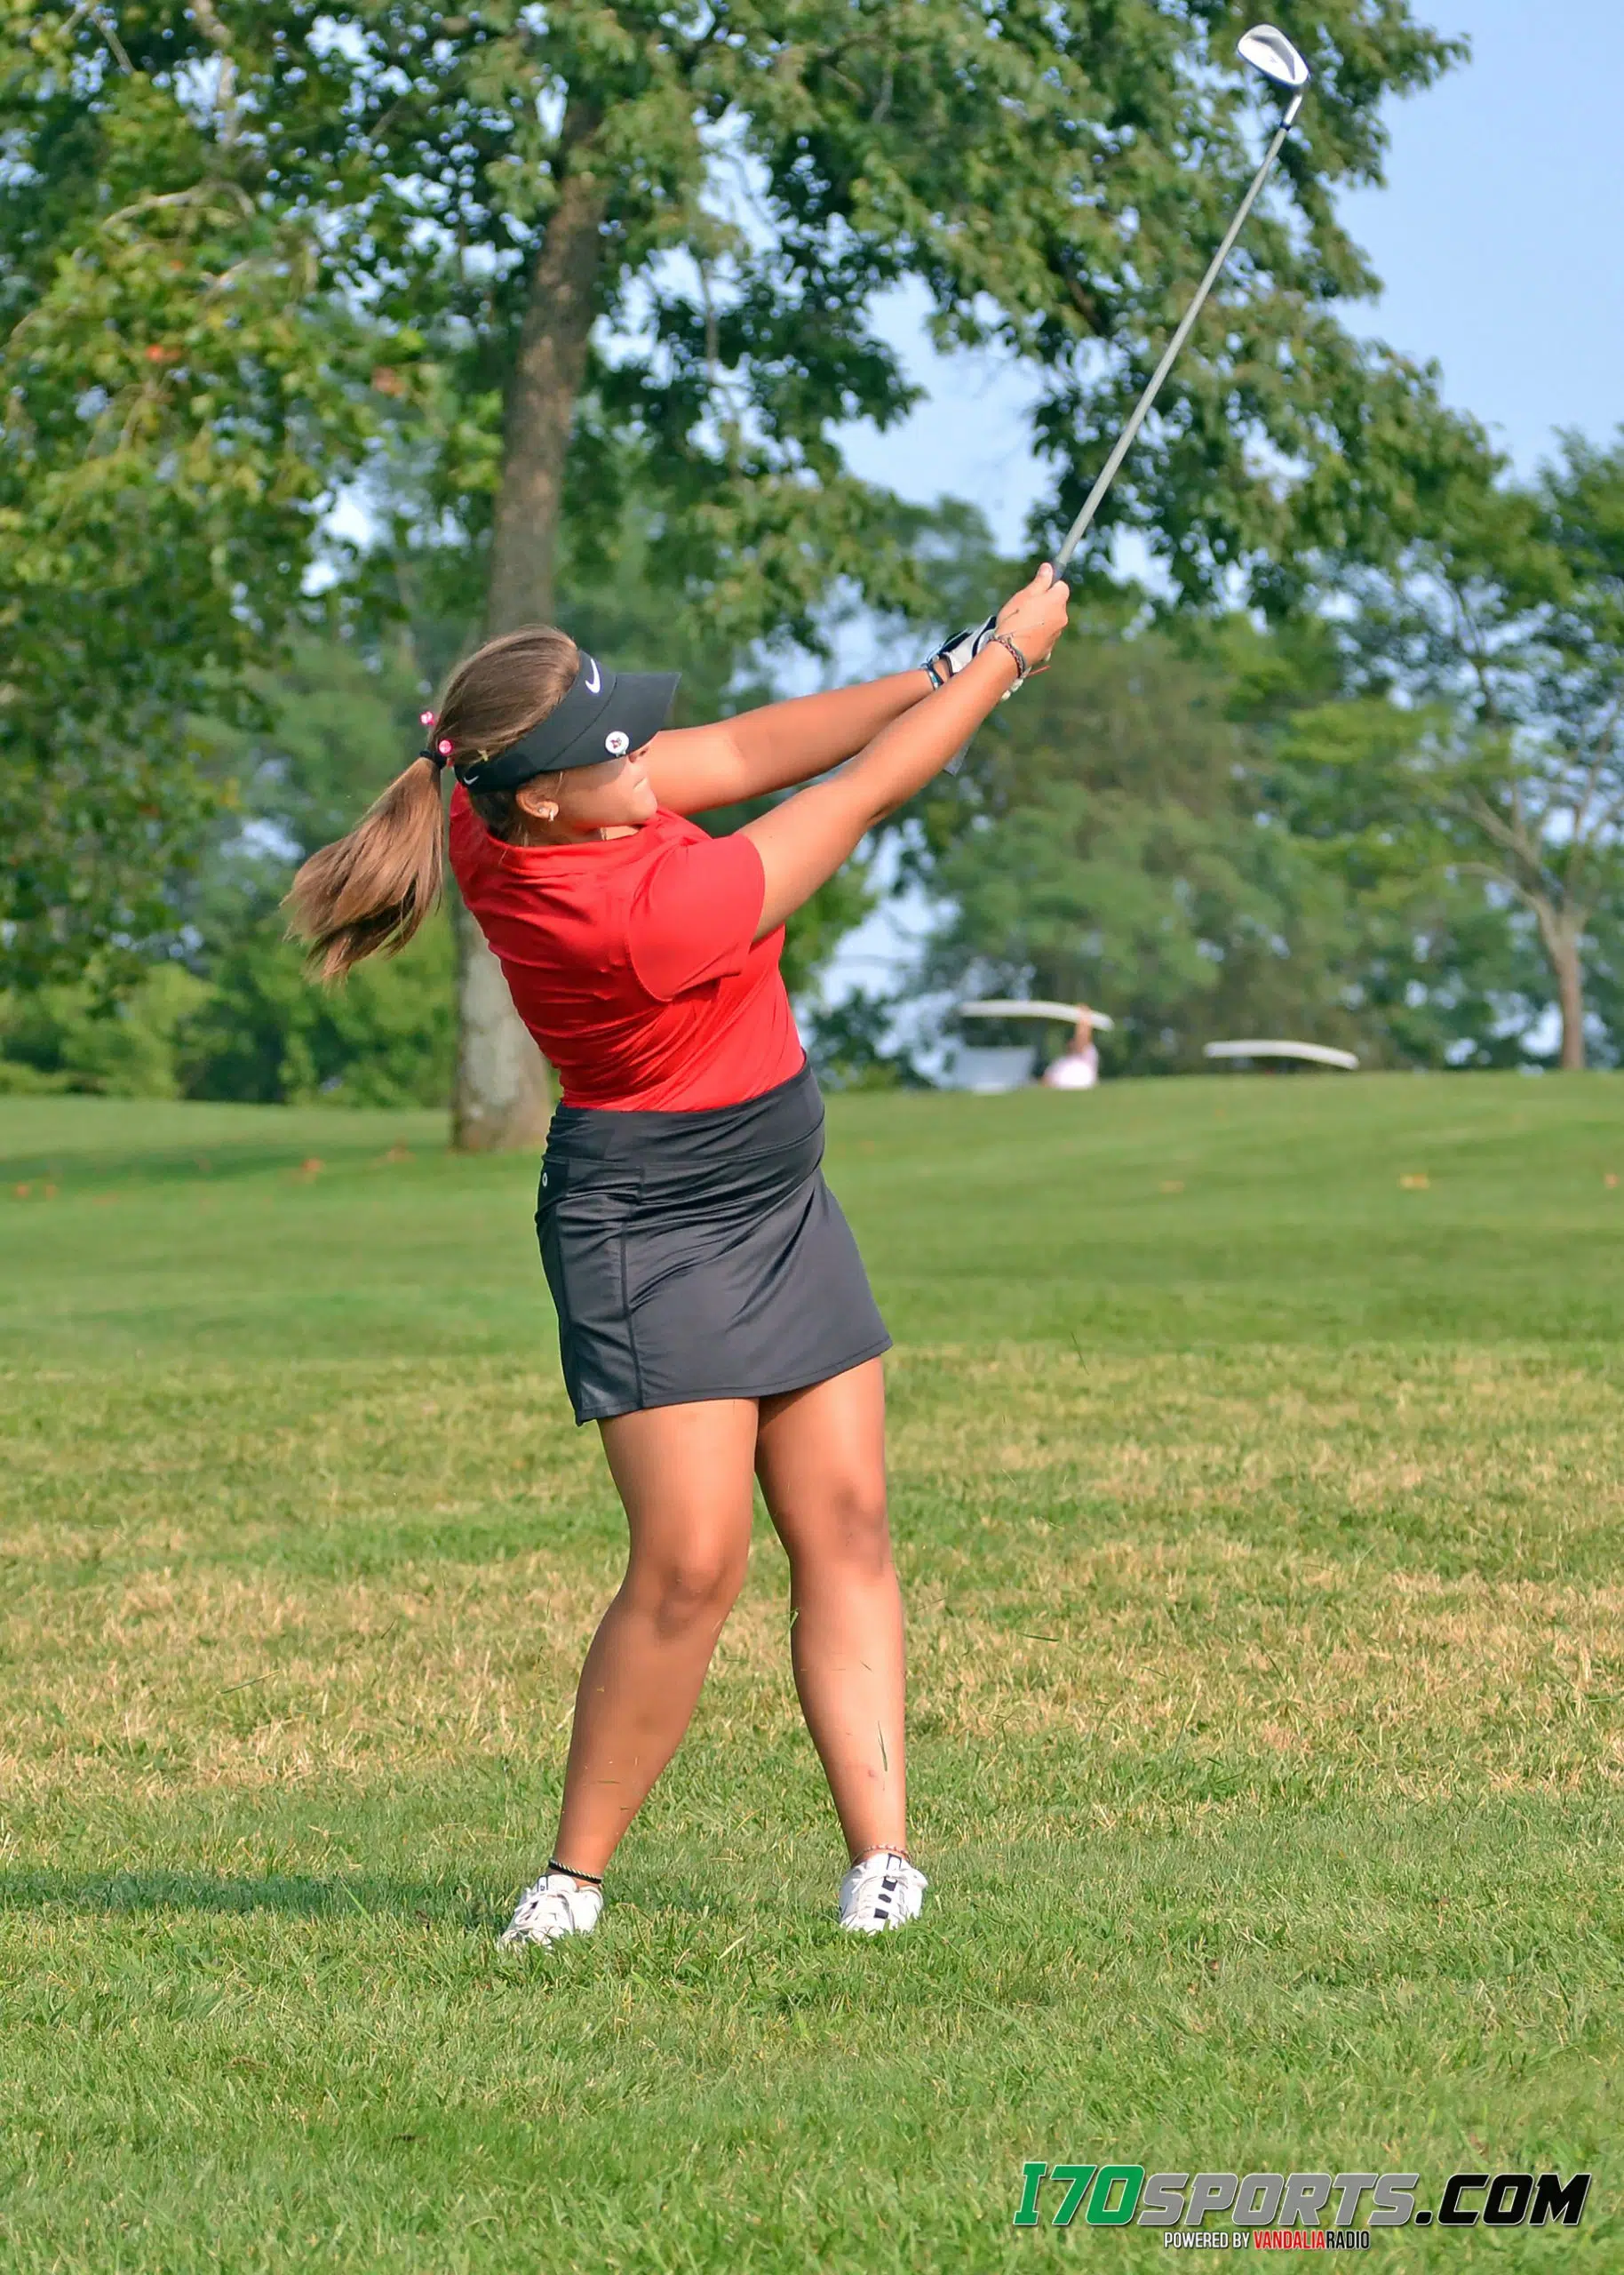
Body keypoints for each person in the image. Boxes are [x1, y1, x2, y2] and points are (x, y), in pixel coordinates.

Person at [285, 563, 1071, 1947]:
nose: (647, 756)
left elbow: (756, 746)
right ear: (543, 797)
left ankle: (883, 1863)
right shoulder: (634, 915)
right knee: (692, 1562)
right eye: (613, 750)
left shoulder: (520, 795)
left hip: (776, 1188)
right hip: (649, 1222)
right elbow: (853, 798)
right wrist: (1004, 664)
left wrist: (944, 667)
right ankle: (573, 1876)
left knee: (847, 1524)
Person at [1042, 1011, 1100, 1090]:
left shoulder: (1088, 1054)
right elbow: (1046, 1079)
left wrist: (1084, 1015)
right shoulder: (1060, 1061)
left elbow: (1083, 1035)